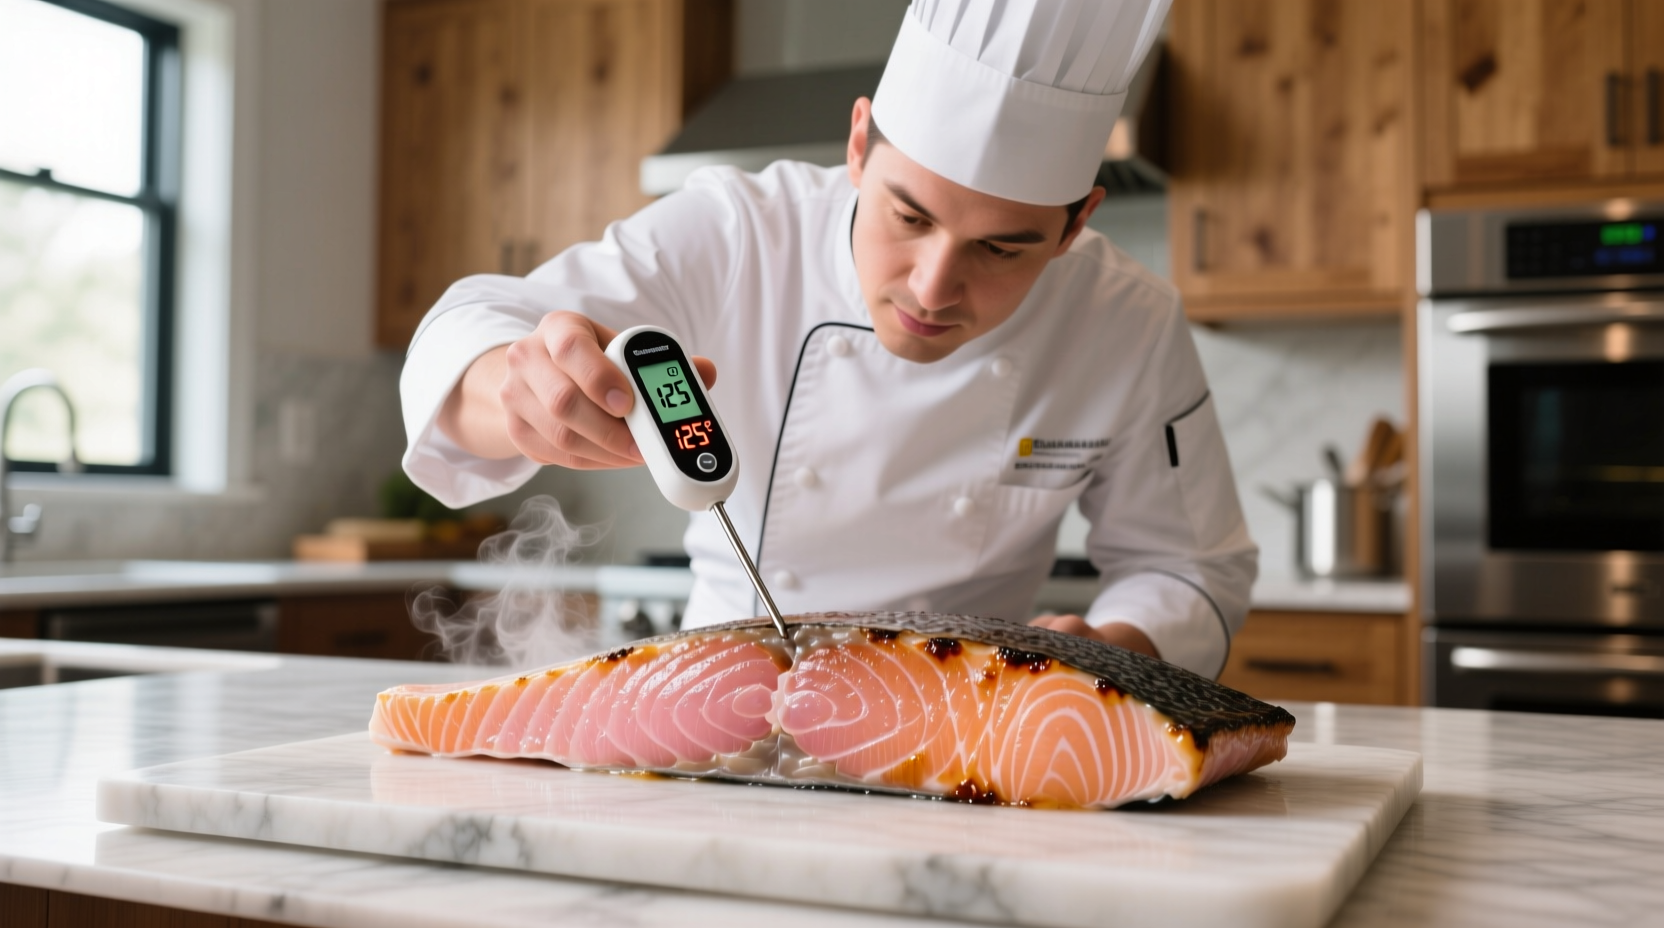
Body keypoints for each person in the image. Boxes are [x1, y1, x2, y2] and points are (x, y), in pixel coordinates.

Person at [399, 0, 1256, 679]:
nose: (933, 288)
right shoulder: (740, 232)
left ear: (1076, 225)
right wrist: (518, 389)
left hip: (968, 723)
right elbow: (475, 326)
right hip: (724, 697)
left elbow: (1190, 566)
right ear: (857, 144)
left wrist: (1115, 646)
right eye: (908, 217)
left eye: (1001, 249)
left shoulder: (1126, 320)